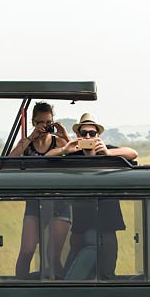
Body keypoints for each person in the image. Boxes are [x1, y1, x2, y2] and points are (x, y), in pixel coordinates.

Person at [49, 114, 138, 280]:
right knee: (76, 266)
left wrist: (107, 153)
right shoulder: (73, 156)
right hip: (81, 221)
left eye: (92, 133)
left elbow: (133, 153)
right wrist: (64, 149)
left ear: (98, 136)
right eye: (84, 133)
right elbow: (46, 158)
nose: (88, 137)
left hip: (108, 220)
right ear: (78, 136)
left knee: (107, 271)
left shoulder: (108, 152)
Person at [9, 103, 73, 278]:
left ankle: (60, 290)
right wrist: (31, 137)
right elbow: (9, 161)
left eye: (48, 122)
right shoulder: (27, 145)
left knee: (53, 256)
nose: (45, 126)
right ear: (33, 122)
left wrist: (64, 135)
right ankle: (18, 287)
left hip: (60, 201)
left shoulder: (59, 142)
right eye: (41, 123)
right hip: (34, 201)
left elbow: (76, 155)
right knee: (27, 250)